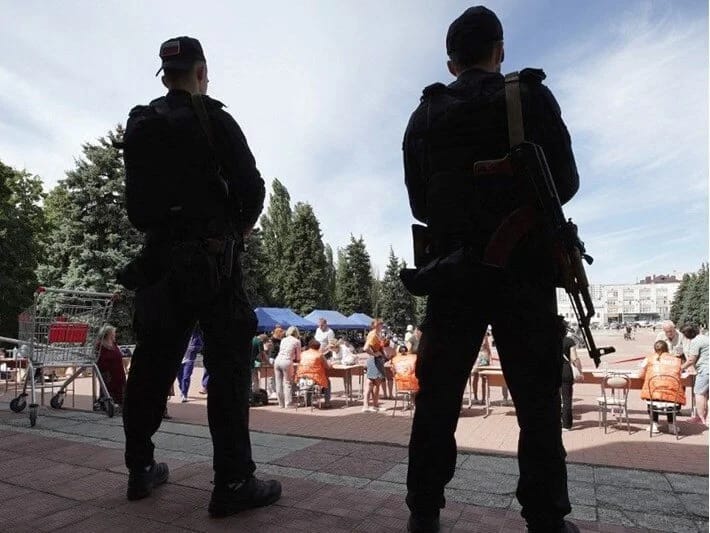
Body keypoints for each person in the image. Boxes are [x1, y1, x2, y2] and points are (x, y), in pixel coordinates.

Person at [401, 7, 580, 532]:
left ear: (451, 63)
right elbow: (566, 182)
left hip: (452, 274)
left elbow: (420, 203)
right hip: (523, 273)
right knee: (537, 403)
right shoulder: (529, 97)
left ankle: (423, 514)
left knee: (436, 400)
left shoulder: (424, 114)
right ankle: (546, 519)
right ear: (500, 50)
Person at [119, 36, 281, 516]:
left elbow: (137, 208)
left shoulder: (142, 123)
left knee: (150, 366)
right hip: (212, 263)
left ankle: (139, 468)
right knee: (228, 368)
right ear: (202, 72)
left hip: (158, 264)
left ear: (164, 75)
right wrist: (235, 231)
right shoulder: (214, 119)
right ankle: (233, 481)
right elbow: (252, 188)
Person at [639, 340, 686, 434]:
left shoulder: (648, 358)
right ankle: (671, 425)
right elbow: (679, 374)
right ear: (667, 349)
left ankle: (654, 425)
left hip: (654, 392)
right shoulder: (676, 360)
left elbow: (640, 375)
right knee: (670, 398)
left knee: (652, 397)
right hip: (671, 393)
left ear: (654, 349)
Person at [680, 325, 708, 426]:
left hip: (705, 370)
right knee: (706, 395)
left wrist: (680, 368)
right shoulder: (705, 338)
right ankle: (705, 417)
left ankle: (700, 418)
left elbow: (691, 360)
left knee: (699, 393)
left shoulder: (695, 341)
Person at [295, 337, 333, 408]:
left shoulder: (303, 353)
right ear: (318, 347)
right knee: (327, 382)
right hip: (314, 377)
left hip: (301, 377)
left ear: (309, 346)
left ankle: (307, 401)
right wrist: (331, 363)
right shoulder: (319, 355)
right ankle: (327, 403)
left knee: (309, 381)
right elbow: (327, 366)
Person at [96, 325, 127, 407]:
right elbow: (99, 360)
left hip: (118, 372)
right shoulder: (100, 345)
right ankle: (106, 404)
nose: (115, 334)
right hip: (108, 373)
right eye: (113, 333)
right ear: (108, 334)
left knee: (121, 389)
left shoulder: (114, 343)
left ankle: (120, 404)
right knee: (108, 389)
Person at [560, 326, 583, 431]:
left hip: (552, 372)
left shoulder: (548, 340)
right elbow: (574, 358)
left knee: (554, 399)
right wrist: (580, 371)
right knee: (567, 399)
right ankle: (566, 425)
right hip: (565, 371)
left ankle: (555, 422)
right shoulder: (569, 341)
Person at [273, 326, 301, 408]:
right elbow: (298, 356)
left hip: (277, 360)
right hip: (287, 361)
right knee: (287, 382)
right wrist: (297, 360)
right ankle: (288, 403)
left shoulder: (283, 340)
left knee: (278, 383)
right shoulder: (297, 341)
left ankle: (280, 404)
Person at [363, 319, 387, 413]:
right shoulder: (373, 335)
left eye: (381, 324)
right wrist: (374, 354)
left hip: (375, 360)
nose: (381, 326)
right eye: (380, 324)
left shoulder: (377, 334)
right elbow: (366, 348)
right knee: (375, 384)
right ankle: (374, 405)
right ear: (375, 326)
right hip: (375, 361)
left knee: (371, 383)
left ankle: (368, 406)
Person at [177, 326, 206, 402]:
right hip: (179, 359)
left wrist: (192, 349)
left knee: (186, 377)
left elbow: (200, 346)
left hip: (189, 359)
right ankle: (182, 390)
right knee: (179, 377)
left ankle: (184, 394)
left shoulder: (196, 335)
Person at [470, 331, 492, 405]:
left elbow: (487, 346)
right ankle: (478, 398)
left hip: (482, 358)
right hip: (480, 358)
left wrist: (490, 357)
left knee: (482, 379)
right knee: (477, 378)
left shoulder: (485, 335)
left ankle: (482, 399)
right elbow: (487, 346)